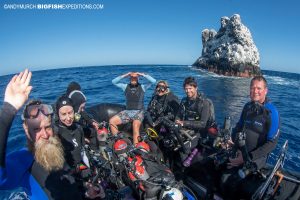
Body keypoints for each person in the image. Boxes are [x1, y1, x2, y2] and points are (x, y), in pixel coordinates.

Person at [0, 69, 84, 199]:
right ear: (26, 131)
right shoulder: (23, 159)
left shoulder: (56, 147)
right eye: (36, 130)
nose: (45, 135)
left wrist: (87, 191)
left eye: (47, 127)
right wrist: (8, 109)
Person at [220, 76, 280, 199]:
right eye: (252, 88)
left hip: (255, 157)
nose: (255, 91)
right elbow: (239, 127)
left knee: (227, 180)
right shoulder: (248, 107)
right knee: (218, 165)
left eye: (259, 88)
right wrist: (230, 140)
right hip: (240, 150)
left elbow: (272, 143)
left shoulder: (271, 112)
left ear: (266, 90)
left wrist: (247, 158)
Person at [175, 76, 216, 163]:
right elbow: (178, 115)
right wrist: (177, 122)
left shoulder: (204, 103)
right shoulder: (184, 101)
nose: (188, 91)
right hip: (188, 130)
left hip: (201, 133)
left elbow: (203, 124)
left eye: (190, 88)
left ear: (196, 88)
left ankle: (187, 169)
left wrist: (184, 123)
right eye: (186, 89)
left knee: (183, 147)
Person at [109, 72, 156, 144]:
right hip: (127, 112)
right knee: (112, 121)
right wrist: (125, 75)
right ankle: (119, 142)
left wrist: (142, 74)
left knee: (135, 125)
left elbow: (153, 81)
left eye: (135, 78)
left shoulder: (143, 87)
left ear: (138, 79)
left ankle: (136, 146)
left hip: (139, 112)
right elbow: (113, 82)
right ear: (130, 78)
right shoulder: (125, 86)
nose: (133, 79)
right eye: (132, 78)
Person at [54, 95, 87, 172]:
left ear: (74, 111)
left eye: (70, 113)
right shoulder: (56, 134)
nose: (68, 118)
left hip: (80, 167)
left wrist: (86, 168)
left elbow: (83, 153)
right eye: (64, 114)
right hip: (67, 173)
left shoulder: (79, 128)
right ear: (58, 115)